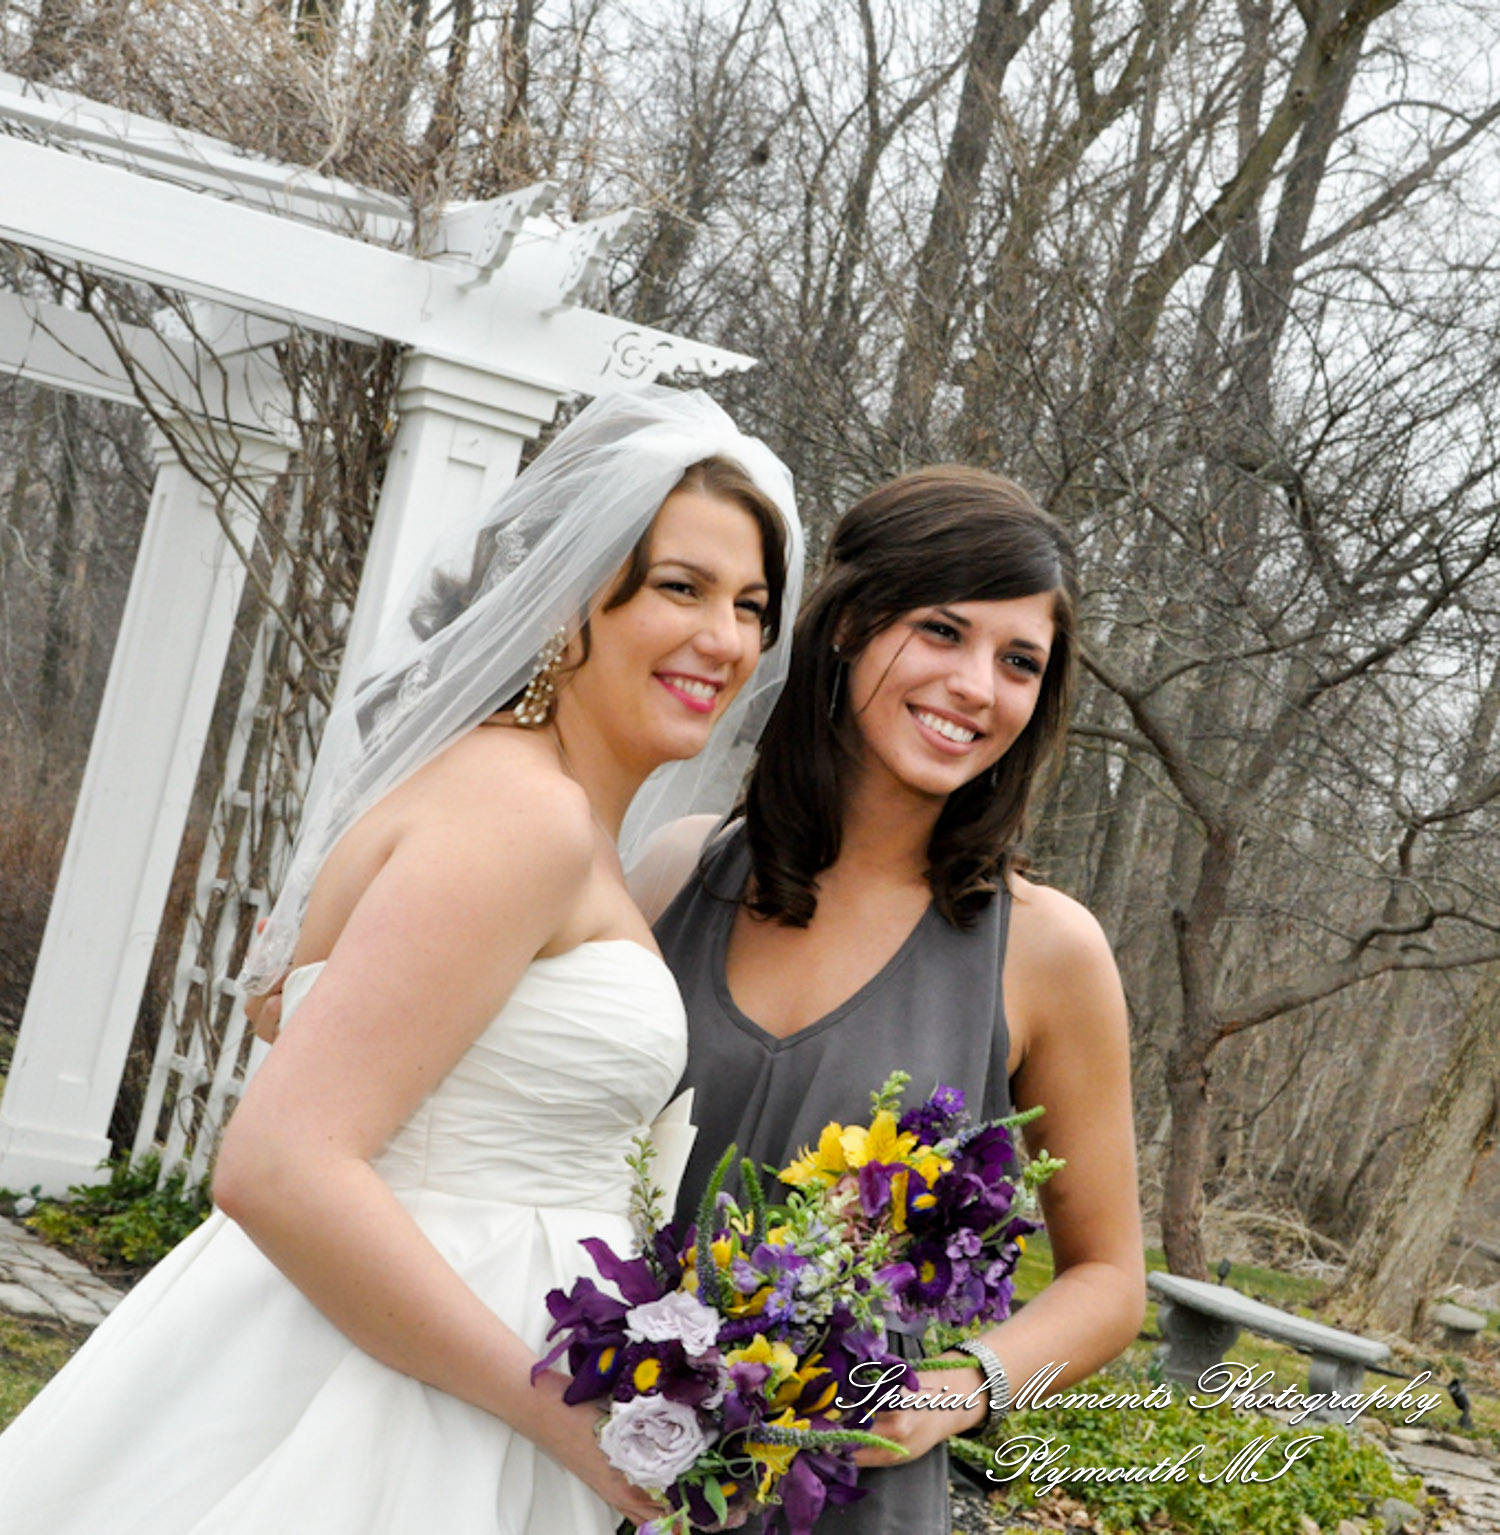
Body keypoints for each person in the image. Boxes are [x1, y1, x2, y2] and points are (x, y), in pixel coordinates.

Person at [0, 388, 804, 1535]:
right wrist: (562, 1416)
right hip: (396, 1404)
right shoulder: (516, 816)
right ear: (566, 601)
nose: (724, 639)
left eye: (750, 604)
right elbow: (278, 1163)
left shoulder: (543, 813)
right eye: (680, 587)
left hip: (453, 1367)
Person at [636, 466, 1146, 1533]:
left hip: (841, 1493)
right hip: (605, 1446)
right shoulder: (678, 872)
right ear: (851, 626)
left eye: (1019, 662)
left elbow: (1108, 1277)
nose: (977, 685)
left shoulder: (1046, 950)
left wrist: (951, 1390)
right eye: (943, 631)